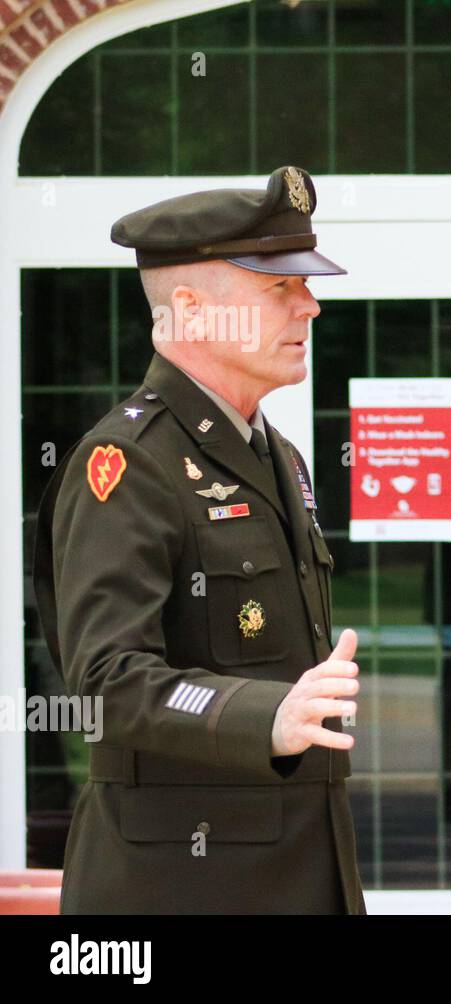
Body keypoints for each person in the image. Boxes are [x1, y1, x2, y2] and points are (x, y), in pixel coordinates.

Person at [33, 166, 366, 914]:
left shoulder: (277, 455)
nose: (309, 306)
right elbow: (109, 680)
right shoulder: (127, 465)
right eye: (278, 289)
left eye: (305, 286)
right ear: (191, 309)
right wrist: (264, 716)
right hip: (181, 884)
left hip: (298, 870)